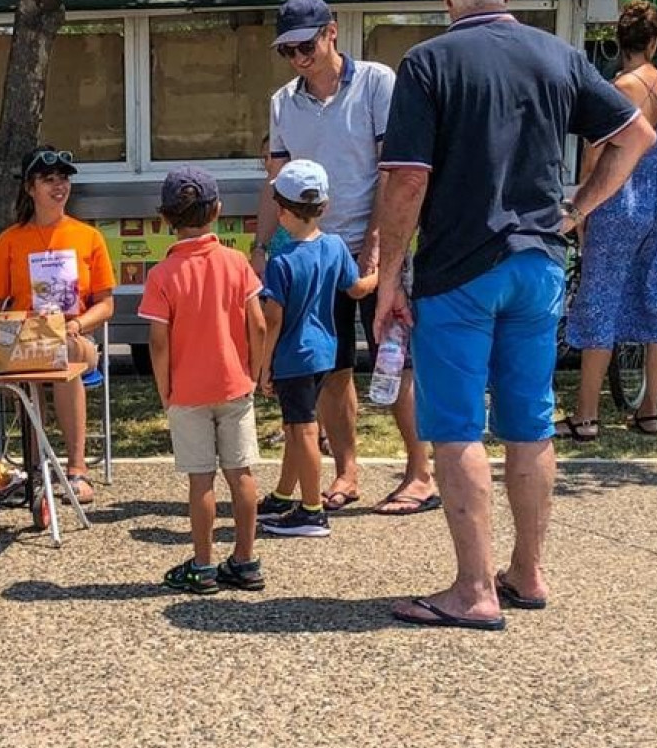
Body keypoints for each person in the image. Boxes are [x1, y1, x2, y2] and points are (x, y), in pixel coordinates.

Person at [373, 0, 655, 629]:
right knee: (529, 423)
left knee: (457, 428)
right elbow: (636, 134)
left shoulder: (428, 62)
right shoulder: (556, 54)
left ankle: (473, 590)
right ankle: (527, 571)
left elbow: (408, 181)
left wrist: (390, 276)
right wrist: (577, 209)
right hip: (539, 265)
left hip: (459, 271)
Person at [253, 0, 437, 518]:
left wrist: (380, 244)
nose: (296, 58)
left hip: (377, 249)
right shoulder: (283, 102)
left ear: (332, 34)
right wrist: (262, 247)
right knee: (331, 368)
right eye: (287, 49)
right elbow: (274, 183)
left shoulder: (377, 82)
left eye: (304, 46)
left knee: (394, 358)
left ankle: (419, 471)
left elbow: (392, 171)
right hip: (314, 253)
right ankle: (346, 471)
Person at [558, 1, 657, 441]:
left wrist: (581, 209)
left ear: (620, 41)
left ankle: (587, 416)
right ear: (655, 41)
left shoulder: (617, 88)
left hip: (618, 203)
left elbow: (597, 157)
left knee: (600, 301)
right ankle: (649, 411)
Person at [139, 167, 269, 594]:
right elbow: (258, 324)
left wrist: (165, 388)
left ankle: (203, 564)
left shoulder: (161, 276)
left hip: (187, 391)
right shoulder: (236, 264)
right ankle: (246, 560)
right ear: (218, 210)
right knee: (242, 473)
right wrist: (255, 370)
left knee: (201, 480)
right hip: (235, 384)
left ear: (165, 217)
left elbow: (159, 342)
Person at [0, 146, 117, 504]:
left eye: (63, 179)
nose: (59, 186)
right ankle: (35, 466)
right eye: (48, 180)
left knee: (66, 355)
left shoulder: (88, 236)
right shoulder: (10, 240)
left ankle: (75, 469)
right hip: (25, 338)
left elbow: (106, 304)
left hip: (74, 337)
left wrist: (78, 324)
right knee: (22, 366)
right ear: (30, 188)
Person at [258, 160, 375, 538]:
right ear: (324, 207)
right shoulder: (336, 247)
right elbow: (356, 289)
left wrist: (263, 366)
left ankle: (310, 510)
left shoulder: (281, 260)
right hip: (326, 352)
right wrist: (381, 275)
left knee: (302, 429)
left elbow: (272, 319)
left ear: (280, 208)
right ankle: (283, 493)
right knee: (298, 425)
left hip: (293, 356)